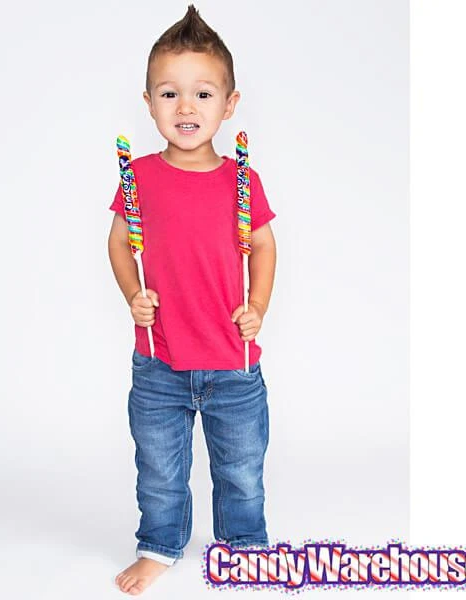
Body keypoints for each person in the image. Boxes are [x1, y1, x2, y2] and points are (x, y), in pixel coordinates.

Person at [108, 4, 277, 595]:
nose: (186, 107)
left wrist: (259, 305)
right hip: (159, 362)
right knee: (158, 469)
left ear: (229, 104)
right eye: (169, 93)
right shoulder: (138, 178)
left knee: (241, 469)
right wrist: (133, 293)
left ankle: (244, 546)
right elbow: (119, 243)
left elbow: (263, 244)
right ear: (149, 102)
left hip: (233, 362)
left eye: (203, 94)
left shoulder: (240, 180)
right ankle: (159, 546)